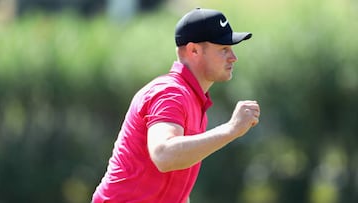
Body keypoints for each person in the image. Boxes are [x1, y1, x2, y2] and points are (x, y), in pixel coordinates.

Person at [92, 8, 260, 203]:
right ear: (194, 50)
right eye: (223, 48)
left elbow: (175, 178)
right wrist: (231, 129)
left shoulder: (193, 99)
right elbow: (164, 154)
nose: (233, 57)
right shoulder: (170, 93)